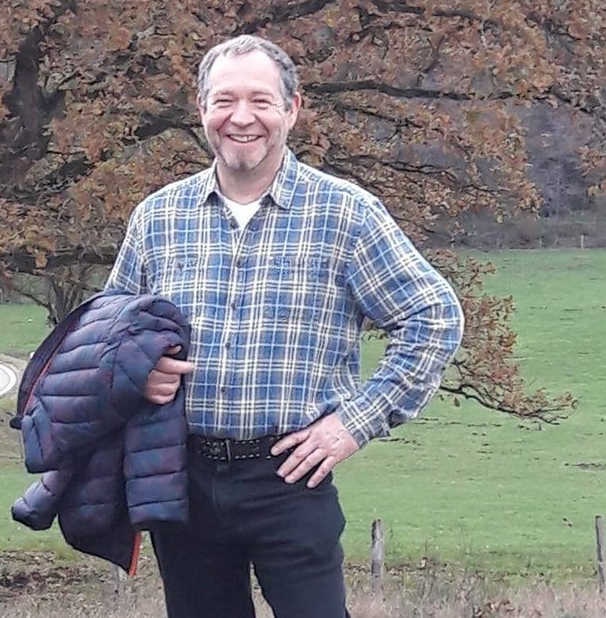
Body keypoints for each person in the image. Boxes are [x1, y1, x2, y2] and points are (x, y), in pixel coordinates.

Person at [104, 34, 464, 618]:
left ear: (292, 110)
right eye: (224, 101)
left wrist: (354, 424)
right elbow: (109, 333)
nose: (241, 118)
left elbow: (434, 317)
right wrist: (138, 372)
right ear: (201, 109)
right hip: (182, 479)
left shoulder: (346, 214)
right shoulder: (158, 218)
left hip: (291, 478)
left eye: (261, 101)